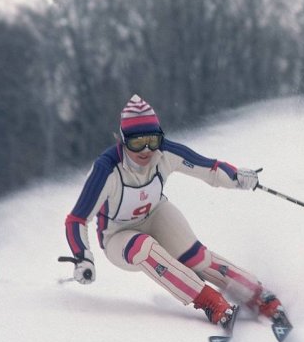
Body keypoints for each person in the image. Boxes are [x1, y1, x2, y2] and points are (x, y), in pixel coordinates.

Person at [62, 93, 287, 329]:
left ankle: (259, 296)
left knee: (195, 257)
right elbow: (76, 220)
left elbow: (209, 168)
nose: (146, 150)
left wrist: (237, 177)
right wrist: (83, 257)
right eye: (137, 143)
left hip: (155, 214)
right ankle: (212, 304)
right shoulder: (106, 169)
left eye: (153, 140)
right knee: (145, 248)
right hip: (117, 235)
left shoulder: (165, 152)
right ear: (123, 140)